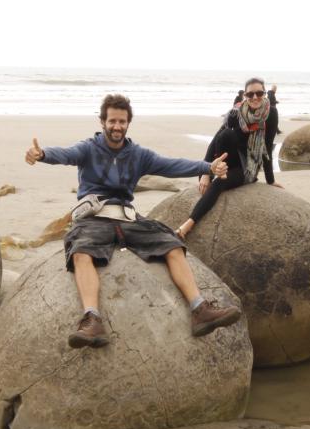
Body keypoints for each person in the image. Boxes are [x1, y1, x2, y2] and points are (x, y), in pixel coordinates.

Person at [25, 93, 242, 349]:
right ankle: (92, 319)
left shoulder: (138, 155)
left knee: (171, 244)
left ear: (128, 123)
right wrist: (42, 154)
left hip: (127, 218)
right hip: (94, 217)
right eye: (112, 121)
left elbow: (172, 165)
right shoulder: (88, 149)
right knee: (81, 252)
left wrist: (208, 167)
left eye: (122, 122)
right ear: (102, 121)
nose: (117, 126)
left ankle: (200, 310)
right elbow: (66, 154)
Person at [175, 78, 283, 239]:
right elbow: (217, 139)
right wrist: (206, 171)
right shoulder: (236, 111)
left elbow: (266, 147)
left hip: (248, 165)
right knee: (226, 134)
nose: (255, 97)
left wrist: (270, 180)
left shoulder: (271, 113)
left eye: (259, 93)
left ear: (265, 93)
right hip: (226, 159)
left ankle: (187, 226)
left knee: (218, 184)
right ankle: (219, 170)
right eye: (250, 94)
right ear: (245, 95)